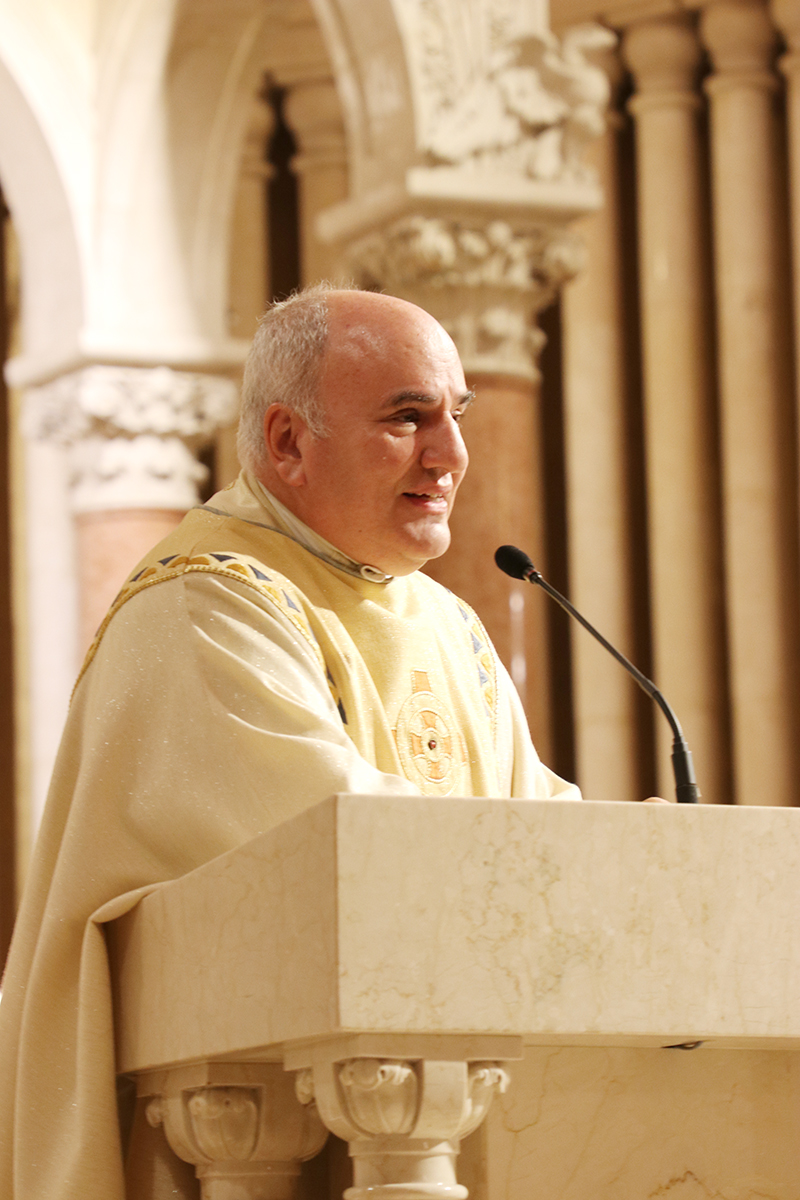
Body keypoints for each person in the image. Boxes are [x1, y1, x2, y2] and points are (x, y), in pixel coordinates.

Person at [0, 285, 580, 1200]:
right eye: (407, 417)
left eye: (456, 416)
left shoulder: (446, 624)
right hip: (253, 1136)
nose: (453, 454)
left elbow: (535, 824)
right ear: (286, 443)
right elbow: (336, 837)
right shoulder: (205, 605)